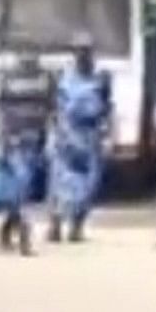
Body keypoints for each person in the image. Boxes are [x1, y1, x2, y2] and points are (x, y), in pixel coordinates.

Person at [0, 49, 53, 254]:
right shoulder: (8, 81)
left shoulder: (45, 80)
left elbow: (52, 110)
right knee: (20, 190)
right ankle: (24, 235)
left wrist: (51, 137)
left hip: (35, 143)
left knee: (21, 191)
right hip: (13, 144)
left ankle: (6, 231)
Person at [43, 40, 114, 246]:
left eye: (86, 52)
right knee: (58, 181)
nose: (83, 56)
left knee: (88, 183)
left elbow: (107, 107)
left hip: (90, 135)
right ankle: (54, 225)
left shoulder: (102, 78)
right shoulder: (61, 77)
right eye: (79, 52)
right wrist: (53, 131)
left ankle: (76, 226)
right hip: (65, 133)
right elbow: (52, 107)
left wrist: (107, 133)